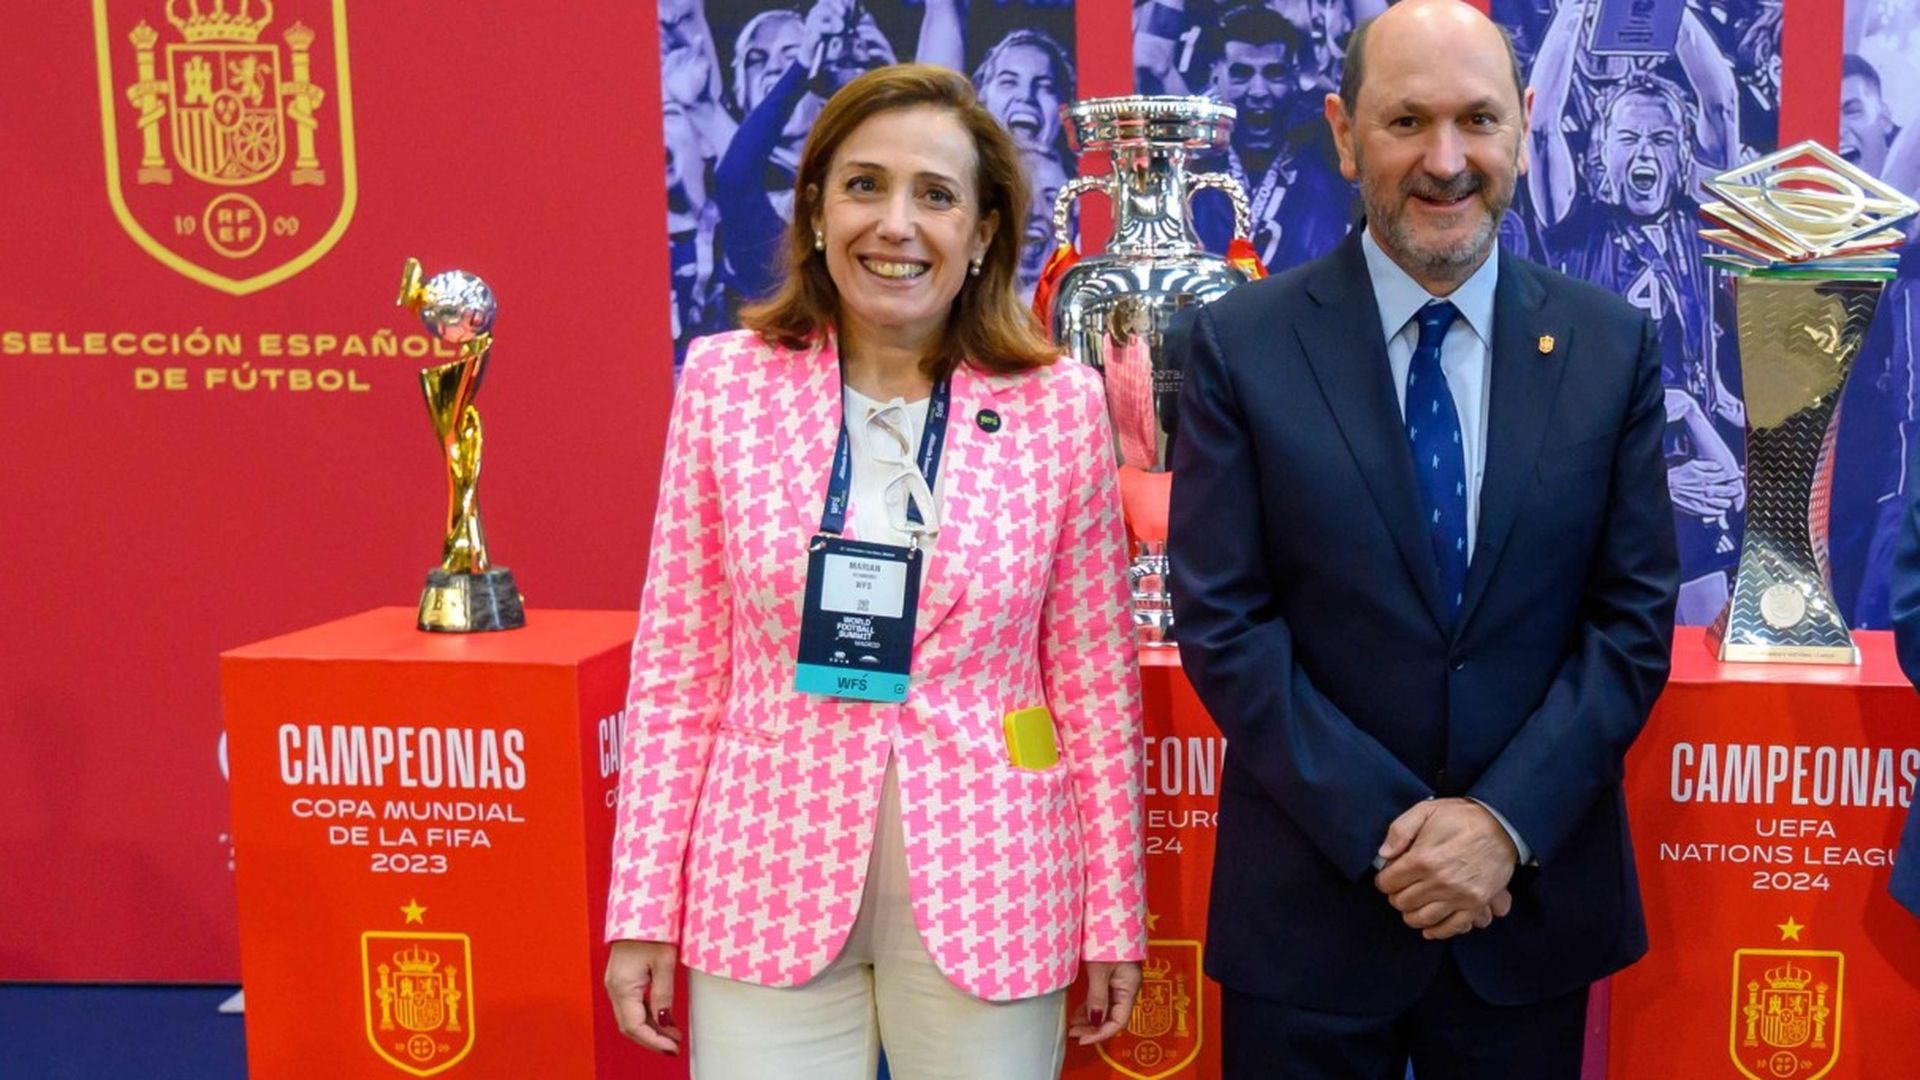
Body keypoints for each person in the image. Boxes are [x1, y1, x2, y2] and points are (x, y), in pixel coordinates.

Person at [1166, 2, 1680, 1075]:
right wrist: (1394, 832)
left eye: (1478, 120)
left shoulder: (1612, 345)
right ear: (1344, 133)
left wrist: (1499, 826)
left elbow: (1630, 622)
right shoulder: (1241, 343)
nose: (1446, 161)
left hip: (1520, 912)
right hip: (1310, 915)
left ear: (1525, 126)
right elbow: (1226, 620)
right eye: (1406, 121)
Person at [604, 64, 1147, 1078]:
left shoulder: (1061, 406)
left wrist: (1114, 913)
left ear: (982, 232)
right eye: (864, 185)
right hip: (763, 881)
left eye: (935, 195)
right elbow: (677, 668)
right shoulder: (724, 385)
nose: (896, 224)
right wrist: (640, 905)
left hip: (995, 886)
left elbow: (1092, 682)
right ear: (815, 210)